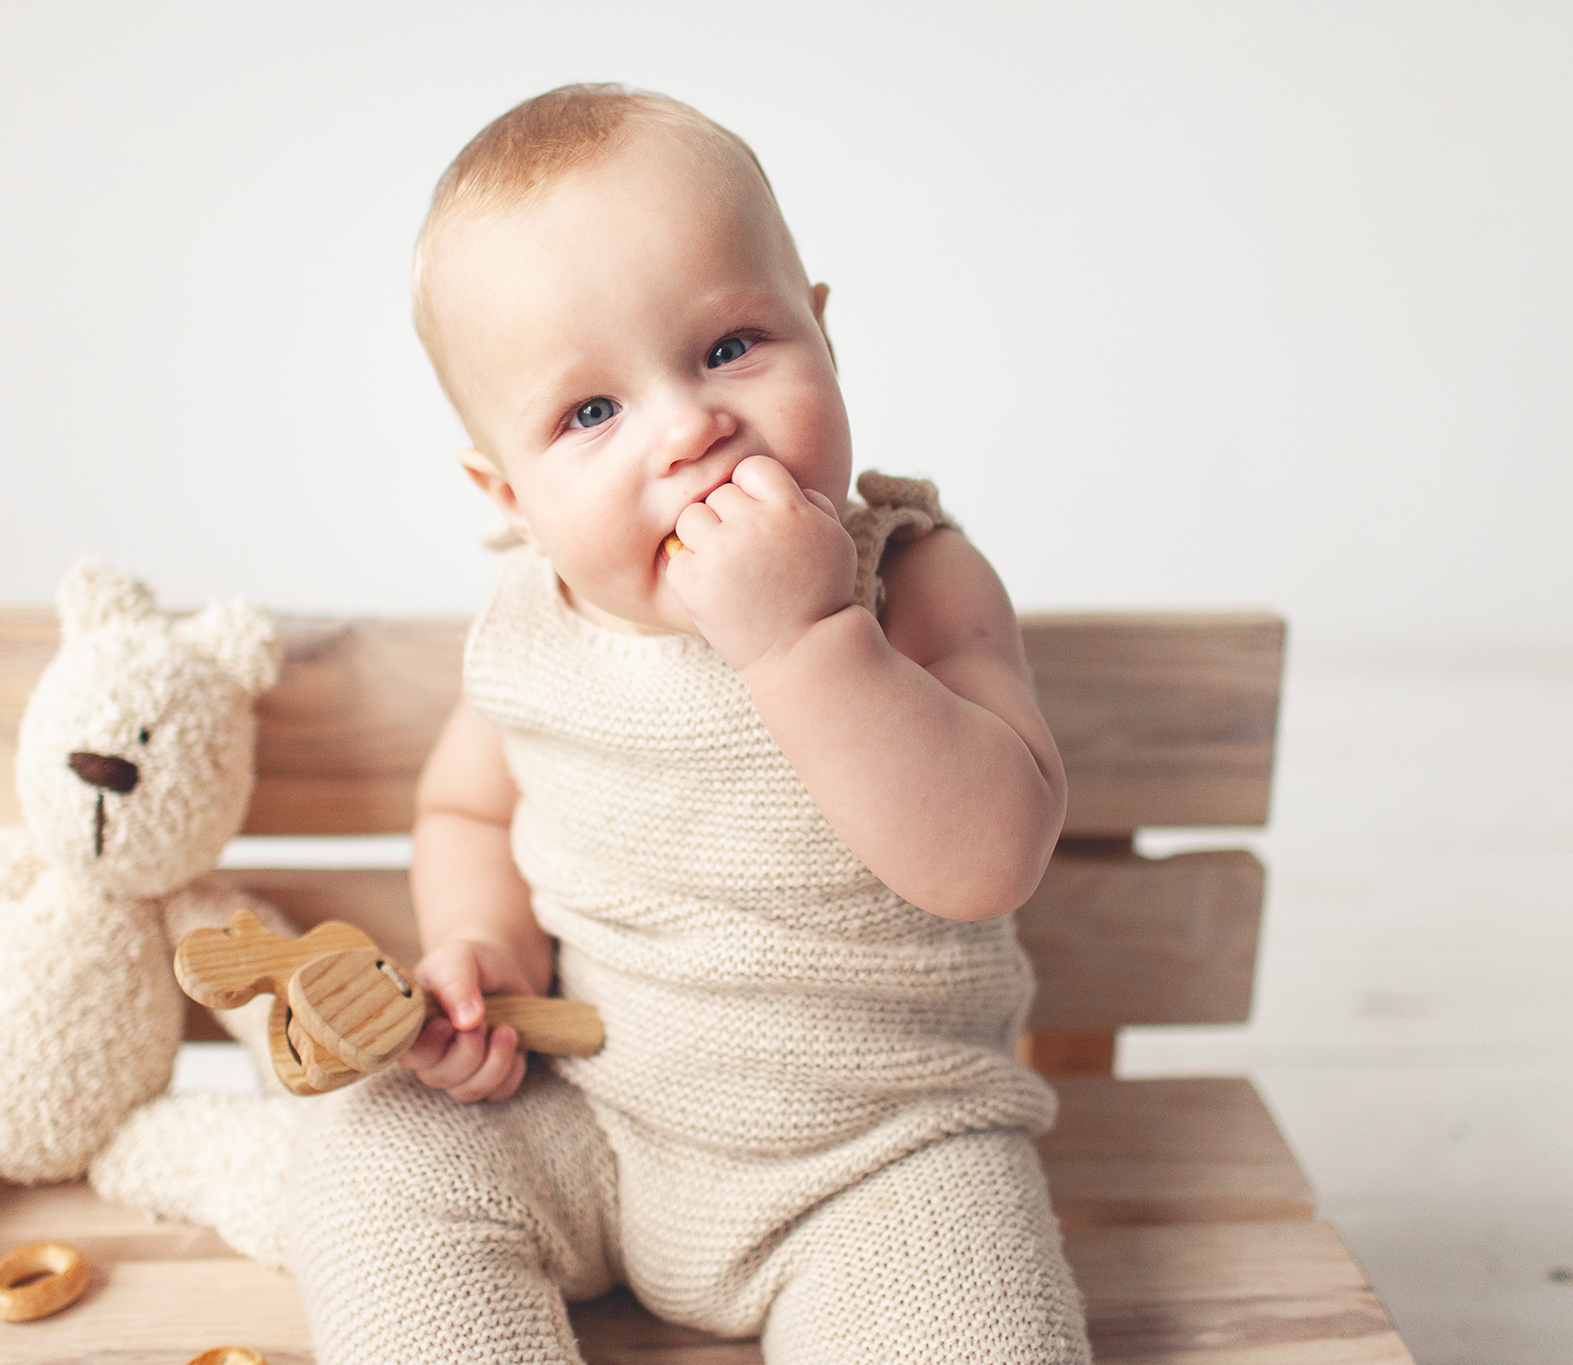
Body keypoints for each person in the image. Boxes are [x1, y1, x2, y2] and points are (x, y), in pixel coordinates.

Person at [285, 83, 1091, 1365]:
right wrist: (483, 944)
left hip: (877, 1155)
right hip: (592, 1115)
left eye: (730, 348)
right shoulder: (535, 623)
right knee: (370, 1146)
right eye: (589, 413)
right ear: (509, 489)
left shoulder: (911, 579)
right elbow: (465, 808)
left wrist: (806, 639)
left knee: (972, 1333)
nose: (689, 429)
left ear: (821, 335)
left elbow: (986, 856)